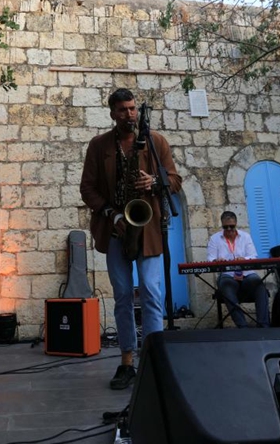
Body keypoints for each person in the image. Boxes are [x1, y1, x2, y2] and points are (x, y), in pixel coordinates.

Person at [80, 88, 182, 390]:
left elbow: (175, 181)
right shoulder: (99, 145)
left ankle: (152, 356)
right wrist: (112, 215)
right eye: (123, 110)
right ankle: (127, 360)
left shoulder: (155, 141)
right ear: (112, 113)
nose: (130, 115)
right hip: (116, 229)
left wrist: (154, 182)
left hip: (148, 230)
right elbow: (87, 189)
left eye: (133, 109)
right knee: (123, 296)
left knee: (151, 290)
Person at [206, 211, 270, 328]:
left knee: (259, 285)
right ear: (222, 225)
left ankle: (263, 325)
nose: (229, 229)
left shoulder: (245, 236)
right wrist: (217, 261)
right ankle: (242, 326)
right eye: (226, 227)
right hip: (228, 274)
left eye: (232, 226)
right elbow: (210, 259)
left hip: (247, 274)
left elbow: (253, 256)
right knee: (225, 285)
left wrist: (244, 259)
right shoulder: (214, 239)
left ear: (236, 223)